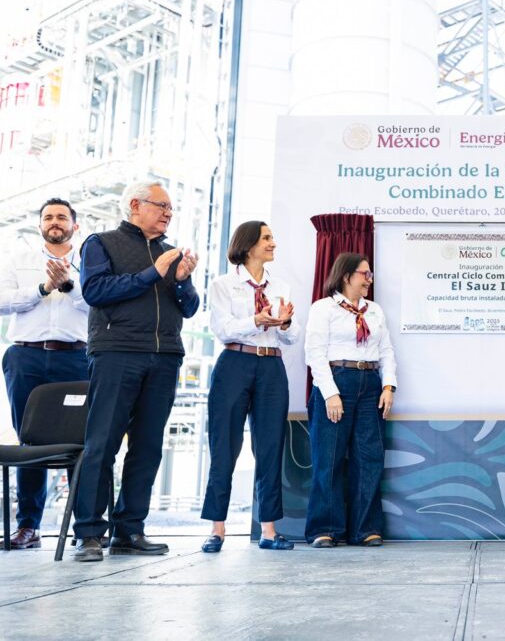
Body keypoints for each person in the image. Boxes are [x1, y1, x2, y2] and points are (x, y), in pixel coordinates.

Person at [72, 181, 200, 562]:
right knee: (102, 444)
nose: (168, 214)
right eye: (161, 206)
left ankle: (129, 530)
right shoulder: (101, 243)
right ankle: (89, 533)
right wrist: (152, 273)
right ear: (135, 205)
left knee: (147, 446)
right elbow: (95, 291)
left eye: (171, 209)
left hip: (164, 356)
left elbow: (190, 307)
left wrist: (180, 281)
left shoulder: (170, 254)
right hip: (117, 352)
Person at [199, 221, 299, 553]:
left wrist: (285, 322)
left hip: (271, 365)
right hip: (235, 363)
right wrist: (256, 320)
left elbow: (291, 337)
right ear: (248, 245)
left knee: (270, 447)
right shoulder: (223, 284)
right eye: (266, 238)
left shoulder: (281, 286)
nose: (273, 243)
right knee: (224, 446)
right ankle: (217, 529)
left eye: (272, 237)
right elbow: (223, 329)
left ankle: (269, 530)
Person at [0, 198, 90, 549]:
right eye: (48, 217)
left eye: (62, 217)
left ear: (74, 225)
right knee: (30, 439)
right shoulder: (18, 259)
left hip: (76, 358)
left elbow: (98, 305)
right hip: (26, 357)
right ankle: (29, 526)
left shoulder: (90, 261)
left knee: (80, 440)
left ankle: (85, 529)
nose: (55, 222)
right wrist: (43, 289)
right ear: (40, 224)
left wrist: (68, 285)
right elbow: (2, 300)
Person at [304, 253, 396, 548]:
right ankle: (325, 528)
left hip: (370, 384)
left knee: (369, 458)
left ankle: (365, 529)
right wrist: (330, 393)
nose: (369, 279)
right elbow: (314, 353)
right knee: (328, 458)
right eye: (364, 274)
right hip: (336, 380)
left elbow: (386, 351)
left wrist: (388, 386)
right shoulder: (324, 308)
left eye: (370, 274)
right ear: (346, 276)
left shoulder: (374, 311)